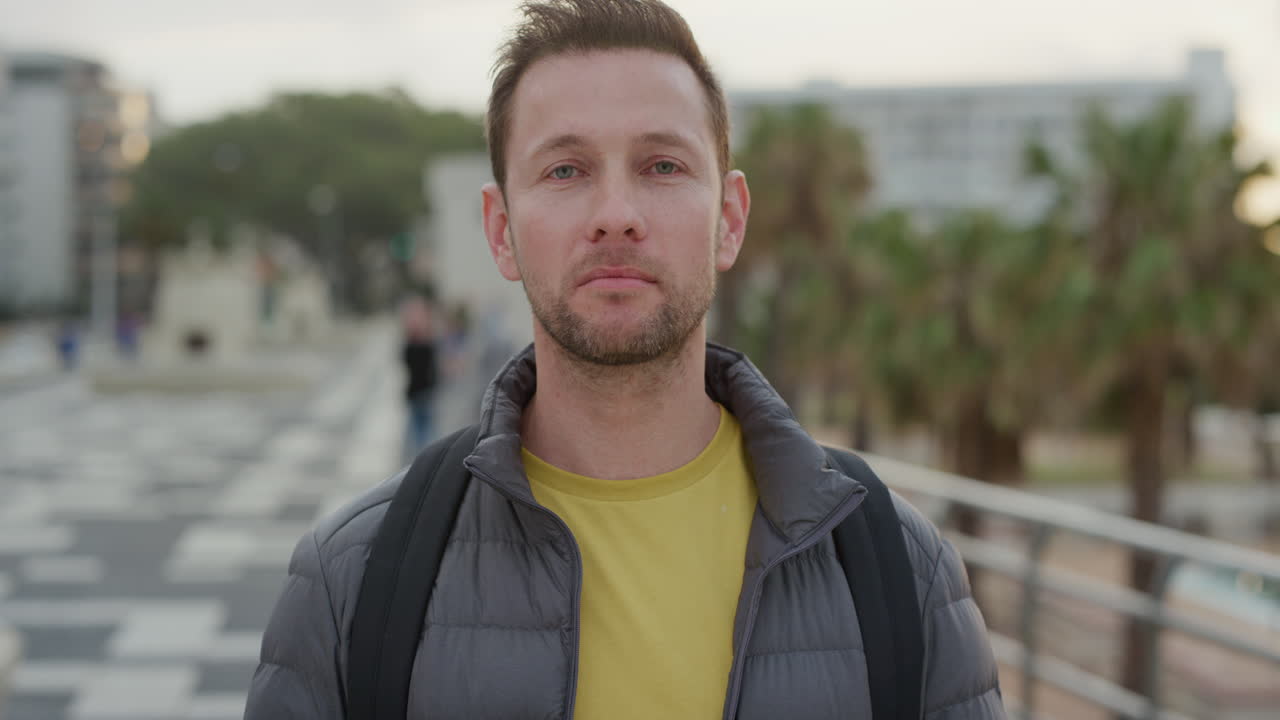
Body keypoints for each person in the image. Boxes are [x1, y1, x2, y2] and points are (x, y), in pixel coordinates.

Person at [244, 1, 1005, 718]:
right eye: (566, 171)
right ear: (501, 229)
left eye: (663, 167)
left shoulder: (901, 570)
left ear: (729, 220)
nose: (617, 217)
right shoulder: (353, 577)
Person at [399, 295, 440, 461]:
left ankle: (424, 460)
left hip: (424, 391)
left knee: (423, 431)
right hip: (419, 391)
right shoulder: (416, 343)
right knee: (420, 431)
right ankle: (422, 460)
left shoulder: (426, 341)